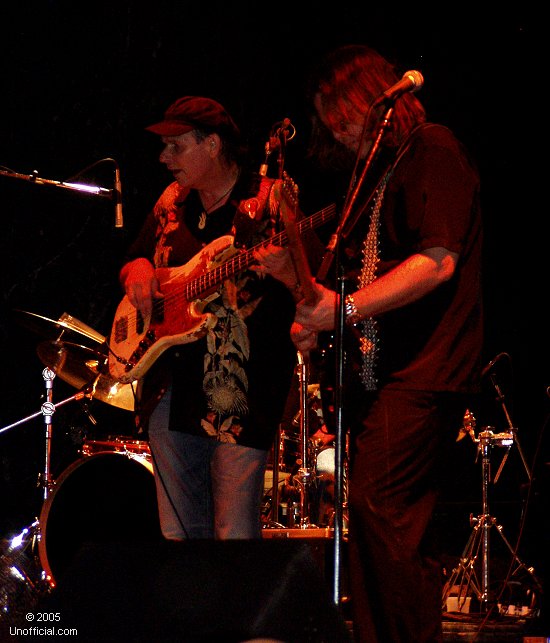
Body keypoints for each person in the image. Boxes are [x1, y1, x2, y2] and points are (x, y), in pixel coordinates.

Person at [254, 44, 483, 642]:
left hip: (422, 373)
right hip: (384, 378)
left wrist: (343, 308)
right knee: (389, 537)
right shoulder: (376, 176)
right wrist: (311, 298)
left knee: (384, 522)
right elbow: (350, 283)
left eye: (342, 108)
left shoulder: (432, 148)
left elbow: (437, 262)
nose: (335, 124)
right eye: (325, 116)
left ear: (374, 96)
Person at [117, 95, 307, 540]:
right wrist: (139, 270)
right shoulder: (172, 202)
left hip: (240, 387)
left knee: (233, 535)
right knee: (180, 534)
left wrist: (289, 272)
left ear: (214, 145)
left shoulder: (267, 202)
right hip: (170, 385)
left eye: (175, 146)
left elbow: (312, 285)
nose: (164, 157)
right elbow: (133, 260)